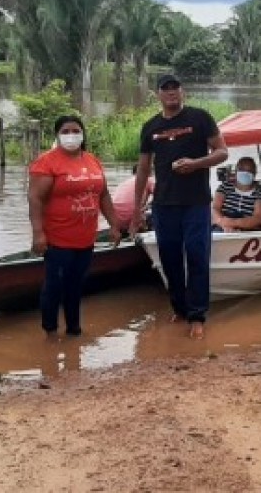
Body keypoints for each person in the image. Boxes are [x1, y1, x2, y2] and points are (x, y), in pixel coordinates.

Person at [130, 74, 229, 340]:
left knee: (197, 257)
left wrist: (196, 164)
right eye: (166, 89)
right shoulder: (150, 127)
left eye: (175, 88)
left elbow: (222, 152)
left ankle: (197, 317)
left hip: (196, 203)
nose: (171, 93)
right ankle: (180, 310)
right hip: (163, 204)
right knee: (170, 260)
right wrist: (137, 209)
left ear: (182, 91)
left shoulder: (200, 118)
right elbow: (142, 169)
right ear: (158, 94)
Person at [28, 115, 122, 337]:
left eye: (75, 130)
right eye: (66, 131)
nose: (71, 135)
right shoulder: (47, 162)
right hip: (57, 239)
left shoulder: (92, 161)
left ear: (82, 134)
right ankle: (49, 332)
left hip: (86, 238)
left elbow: (104, 195)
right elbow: (35, 199)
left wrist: (114, 225)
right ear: (57, 135)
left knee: (76, 286)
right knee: (55, 286)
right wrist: (38, 234)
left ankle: (74, 331)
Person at [212, 156, 261, 232]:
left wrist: (233, 223)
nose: (245, 173)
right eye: (241, 169)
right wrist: (221, 222)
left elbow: (259, 218)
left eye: (250, 170)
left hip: (249, 231)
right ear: (236, 171)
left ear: (254, 173)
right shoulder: (224, 186)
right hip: (222, 227)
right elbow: (214, 208)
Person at [111, 167, 155, 235]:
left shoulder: (125, 182)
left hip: (114, 219)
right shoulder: (148, 179)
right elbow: (161, 197)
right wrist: (149, 206)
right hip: (132, 218)